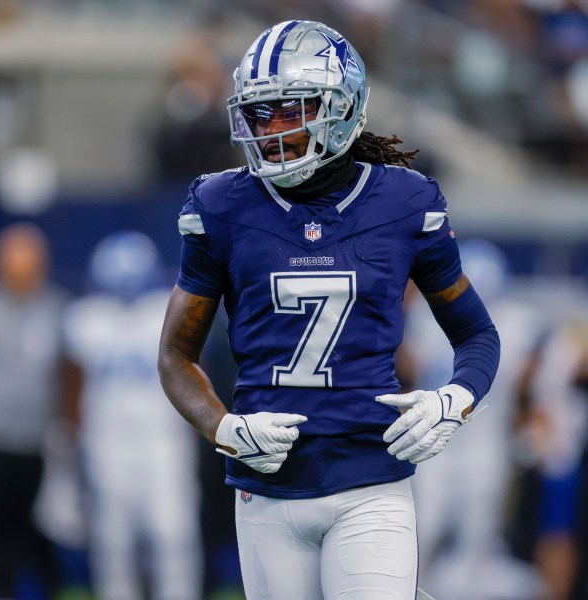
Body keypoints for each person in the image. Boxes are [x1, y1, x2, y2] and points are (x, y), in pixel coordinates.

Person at [158, 20, 500, 600]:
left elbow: (477, 336)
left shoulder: (403, 200)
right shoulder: (220, 205)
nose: (271, 131)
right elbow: (175, 355)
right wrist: (224, 427)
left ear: (342, 107)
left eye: (291, 110)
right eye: (260, 113)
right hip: (266, 490)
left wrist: (454, 401)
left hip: (371, 482)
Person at [63, 231, 203, 600]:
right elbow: (72, 388)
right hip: (107, 441)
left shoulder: (167, 310)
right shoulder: (86, 319)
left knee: (173, 531)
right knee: (112, 537)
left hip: (163, 439)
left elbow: (194, 375)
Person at [405, 239, 545, 600]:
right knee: (424, 526)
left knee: (478, 535)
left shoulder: (517, 323)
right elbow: (410, 368)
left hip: (486, 441)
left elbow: (527, 383)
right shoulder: (424, 315)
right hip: (434, 443)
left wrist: (528, 421)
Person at [0, 222, 68, 599]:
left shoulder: (56, 308)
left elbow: (68, 373)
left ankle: (50, 587)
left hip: (40, 439)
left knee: (40, 523)